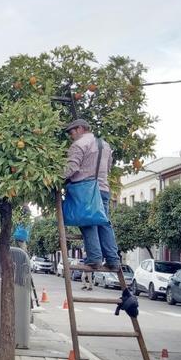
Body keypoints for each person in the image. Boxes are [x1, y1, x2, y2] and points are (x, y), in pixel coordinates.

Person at [63, 119, 120, 285]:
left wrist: (55, 179)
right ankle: (113, 260)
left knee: (88, 222)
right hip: (102, 188)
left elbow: (71, 168)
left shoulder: (79, 145)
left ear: (80, 129)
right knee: (104, 223)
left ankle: (94, 258)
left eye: (71, 132)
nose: (70, 136)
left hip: (85, 190)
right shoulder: (105, 145)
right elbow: (108, 169)